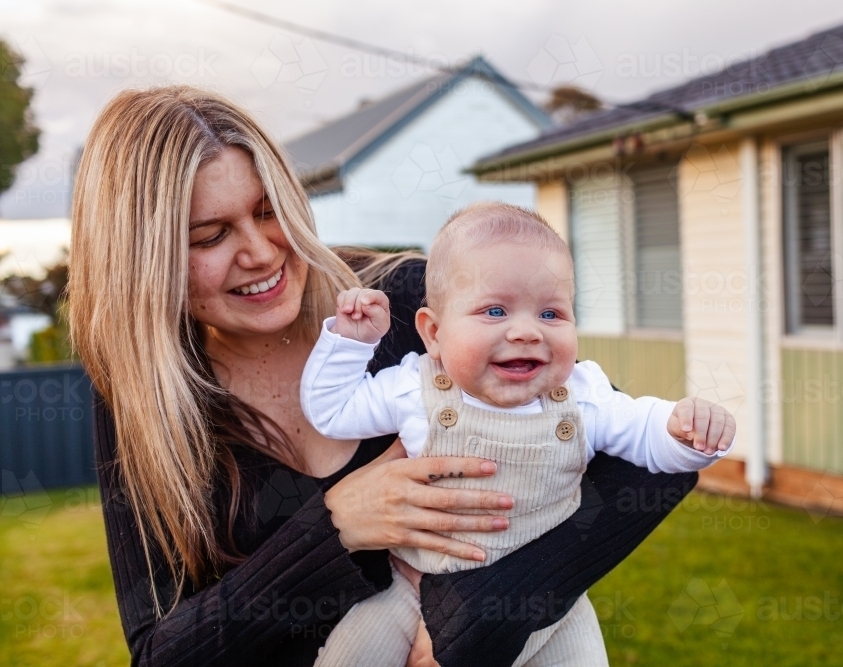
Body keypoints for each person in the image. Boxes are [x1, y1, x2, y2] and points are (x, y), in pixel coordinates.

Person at [69, 86, 708, 667]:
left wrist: (485, 613)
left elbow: (652, 458)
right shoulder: (142, 398)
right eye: (209, 236)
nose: (261, 252)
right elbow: (160, 652)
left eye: (270, 211)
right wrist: (334, 528)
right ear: (144, 262)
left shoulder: (401, 301)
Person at [303, 203, 736, 667]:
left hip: (548, 606)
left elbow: (646, 437)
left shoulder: (581, 396)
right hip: (409, 586)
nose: (527, 331)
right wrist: (350, 344)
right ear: (432, 333)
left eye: (551, 314)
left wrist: (684, 433)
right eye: (495, 310)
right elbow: (333, 412)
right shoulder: (414, 386)